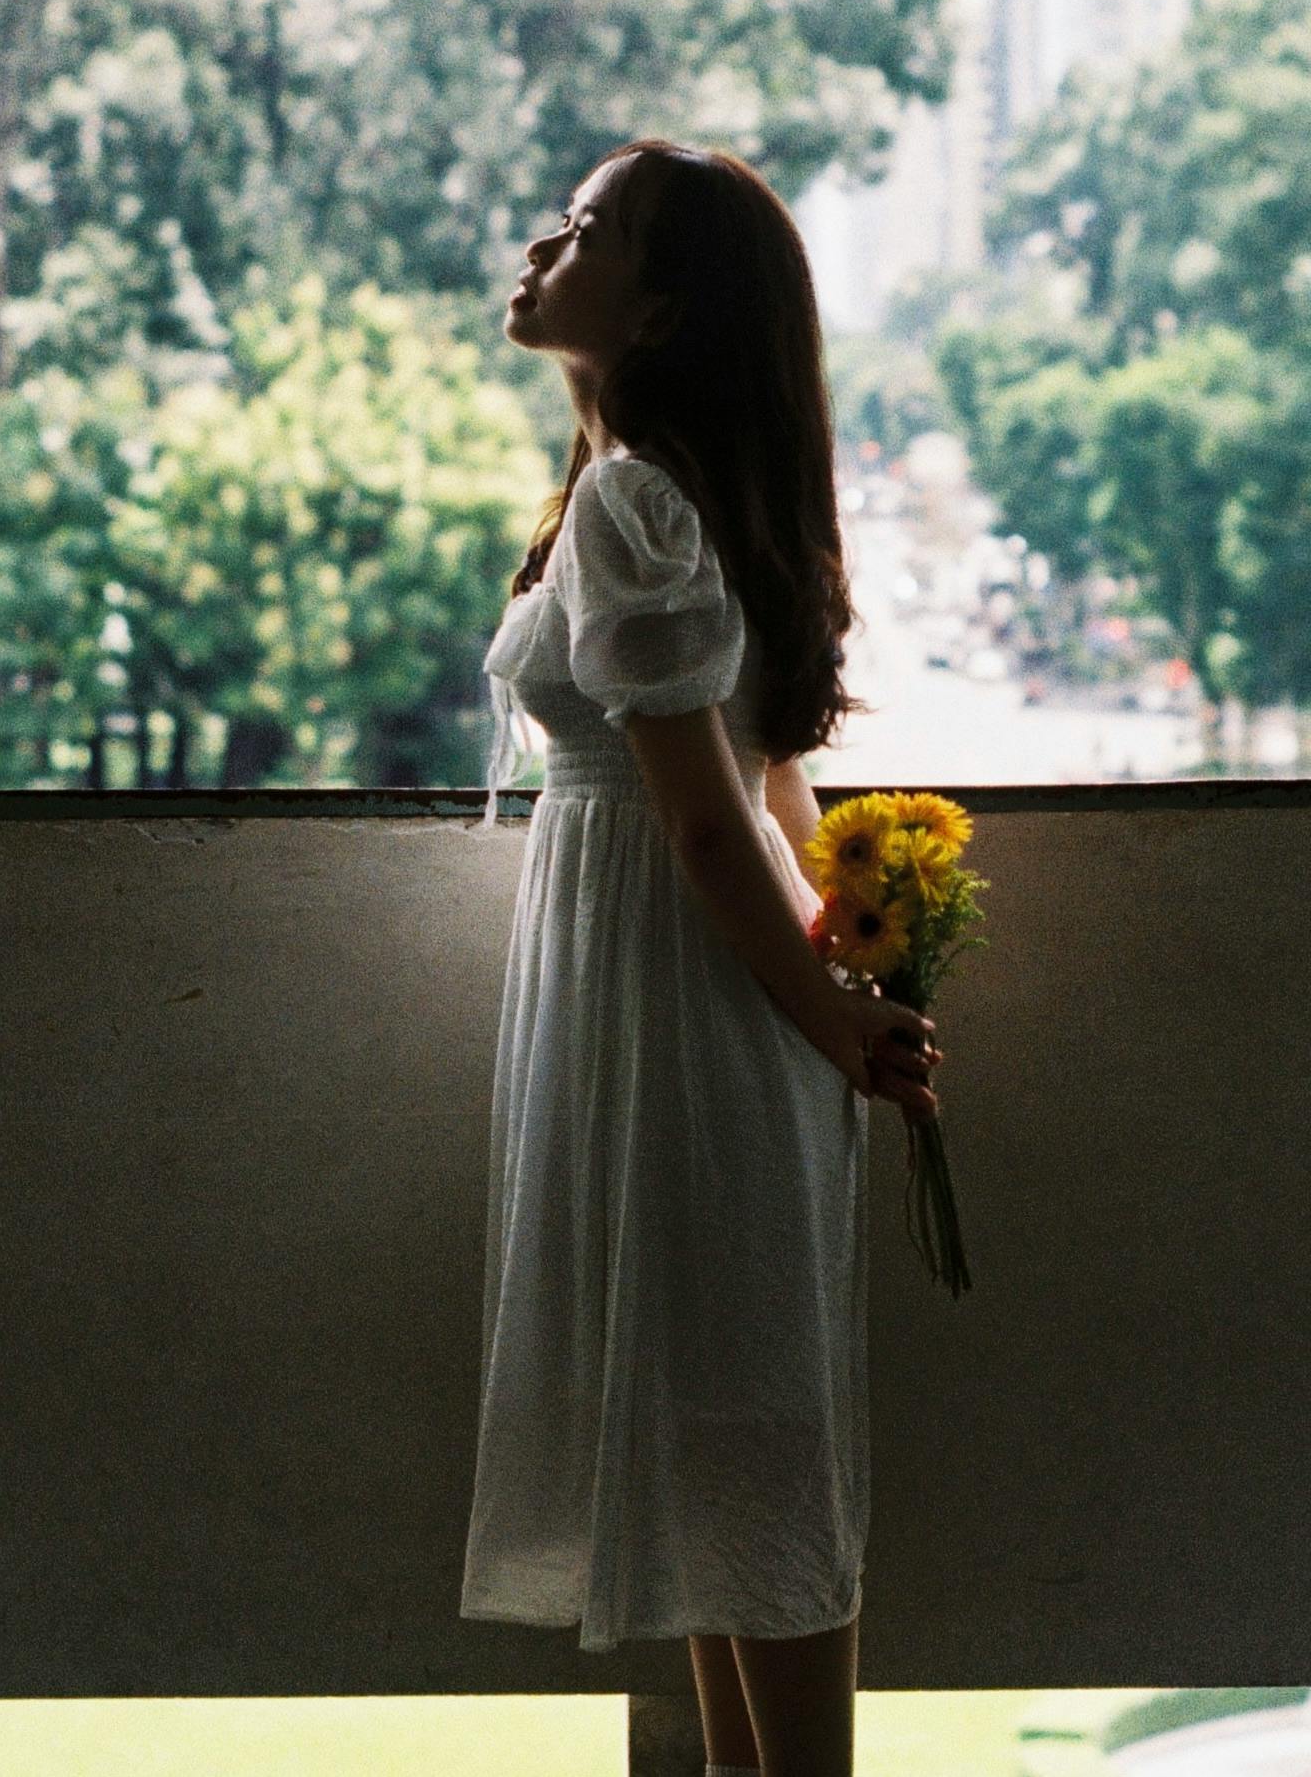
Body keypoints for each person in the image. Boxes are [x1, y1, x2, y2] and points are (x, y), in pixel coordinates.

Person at [460, 138, 943, 1777]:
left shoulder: (630, 501)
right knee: (732, 1456)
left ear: (664, 306)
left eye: (588, 228)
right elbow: (769, 788)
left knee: (748, 1449)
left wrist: (830, 1016)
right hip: (694, 1004)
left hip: (684, 1007)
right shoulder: (667, 491)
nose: (544, 241)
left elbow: (705, 817)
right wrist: (841, 979)